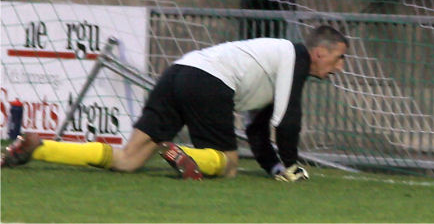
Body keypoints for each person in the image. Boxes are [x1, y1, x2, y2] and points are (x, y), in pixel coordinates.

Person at [1, 24, 348, 181]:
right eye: (339, 59)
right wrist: (291, 167)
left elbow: (258, 129)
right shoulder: (295, 58)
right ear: (320, 53)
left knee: (127, 160)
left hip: (179, 72)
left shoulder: (280, 62)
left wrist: (274, 168)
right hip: (209, 82)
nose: (340, 67)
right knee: (226, 166)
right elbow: (286, 122)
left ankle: (39, 146)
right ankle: (185, 155)